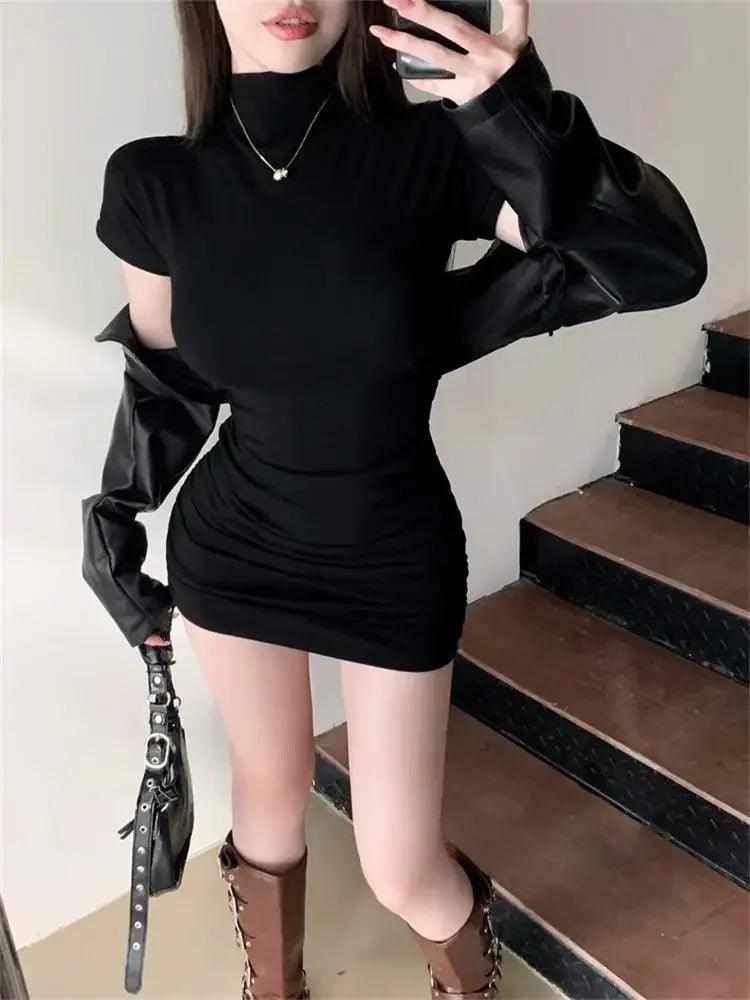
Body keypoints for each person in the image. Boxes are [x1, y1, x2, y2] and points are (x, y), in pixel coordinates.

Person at [82, 0, 706, 997]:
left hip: (391, 552)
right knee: (269, 803)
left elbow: (660, 265)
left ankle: (470, 980)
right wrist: (114, 522)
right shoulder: (152, 181)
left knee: (399, 864)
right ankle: (272, 988)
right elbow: (170, 386)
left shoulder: (433, 151)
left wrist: (514, 112)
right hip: (233, 547)